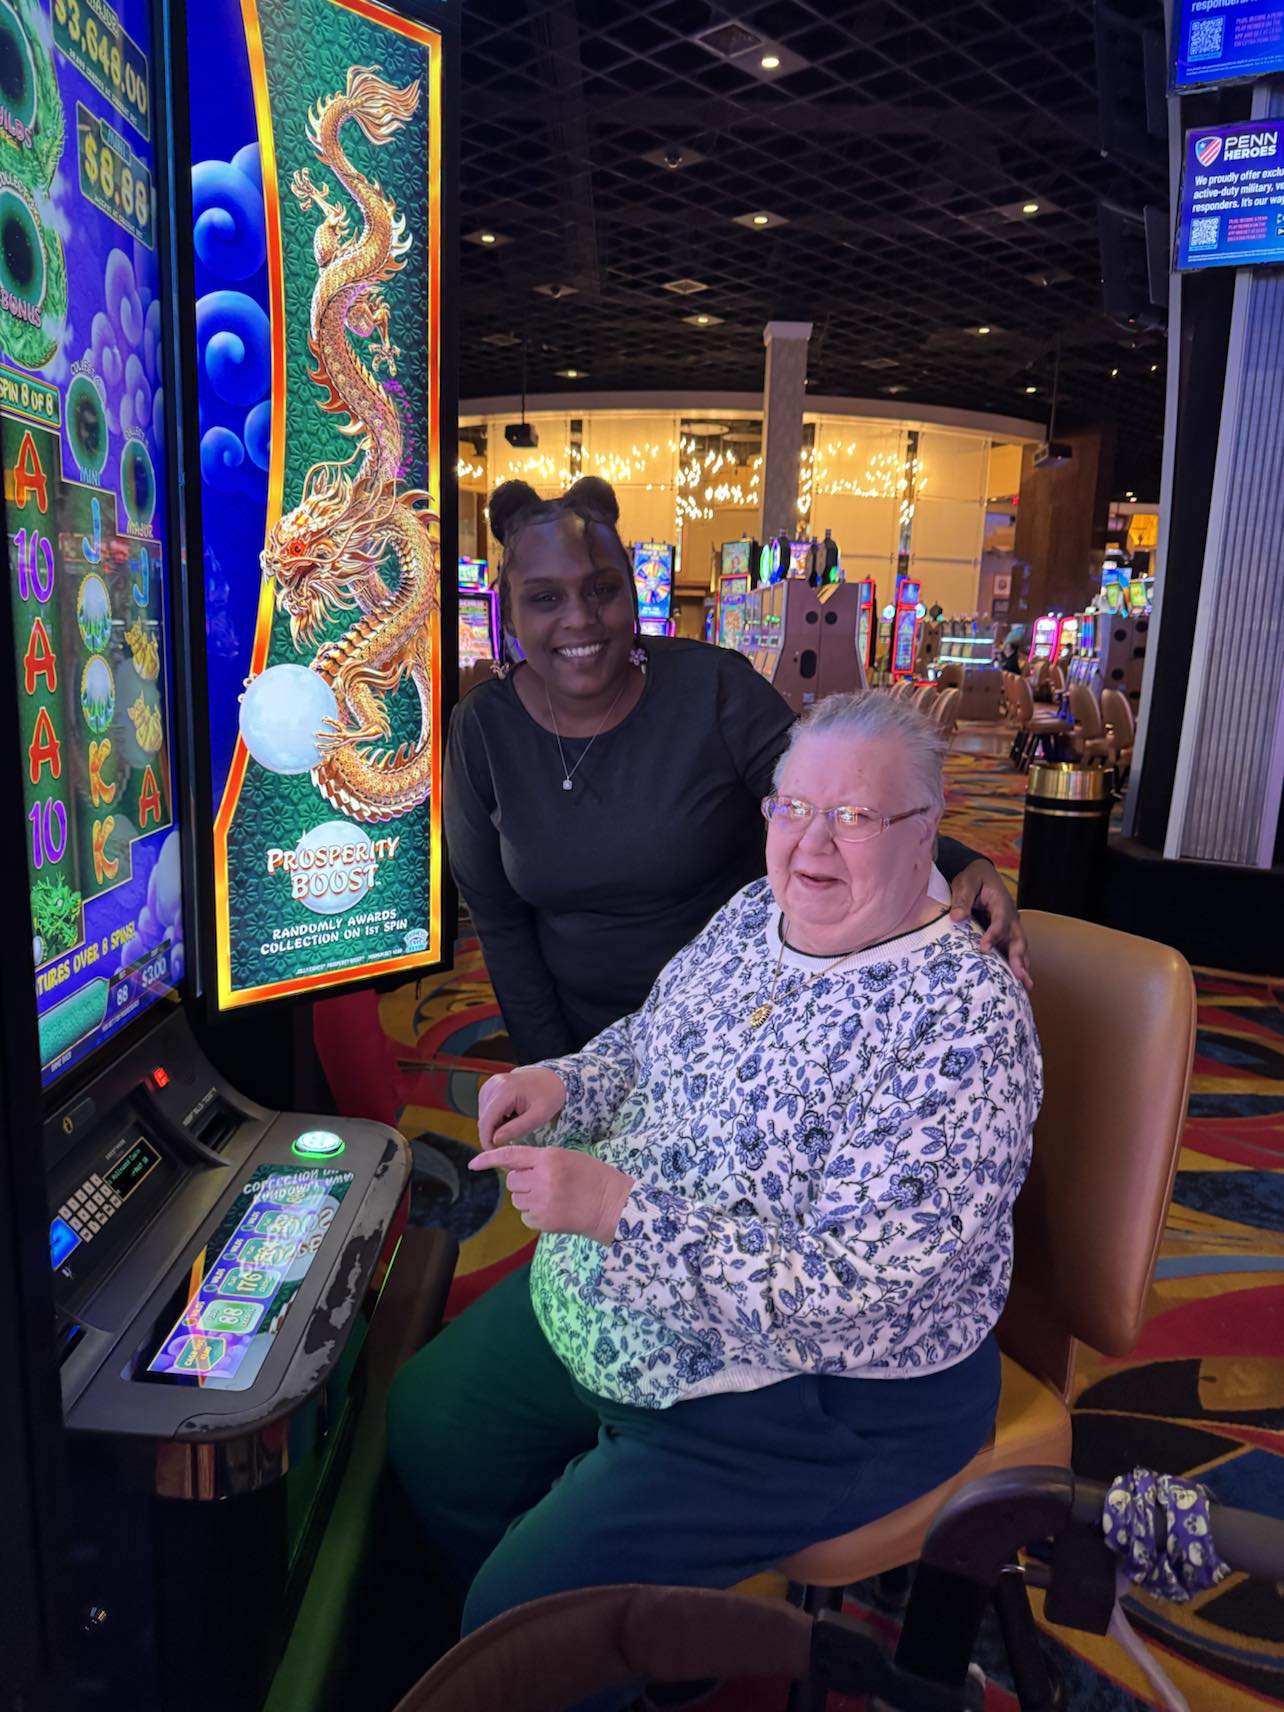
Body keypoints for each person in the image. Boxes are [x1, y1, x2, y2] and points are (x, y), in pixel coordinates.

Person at [388, 692, 1042, 1702]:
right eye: (792, 807)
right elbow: (650, 1044)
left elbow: (848, 1292)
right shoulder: (751, 914)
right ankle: (639, 1658)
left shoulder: (966, 1018)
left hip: (819, 1393)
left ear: (929, 830)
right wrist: (565, 1083)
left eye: (854, 816)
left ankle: (595, 1656)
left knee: (527, 1628)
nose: (811, 844)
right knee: (430, 1425)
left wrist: (619, 1213)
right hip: (624, 1296)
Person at [445, 476, 1030, 1067]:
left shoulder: (712, 688)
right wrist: (556, 1067)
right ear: (509, 613)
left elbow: (828, 803)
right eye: (545, 598)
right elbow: (499, 923)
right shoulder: (482, 728)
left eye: (602, 589)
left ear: (634, 594)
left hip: (738, 1026)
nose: (580, 618)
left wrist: (958, 860)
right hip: (576, 1029)